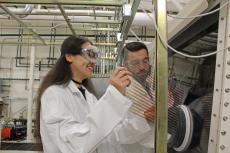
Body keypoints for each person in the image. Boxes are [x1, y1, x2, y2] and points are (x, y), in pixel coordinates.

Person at [36, 36, 152, 153]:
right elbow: (74, 144)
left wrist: (144, 119)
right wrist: (114, 95)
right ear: (69, 56)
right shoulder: (54, 94)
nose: (93, 62)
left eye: (94, 56)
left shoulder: (89, 96)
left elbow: (114, 133)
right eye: (88, 54)